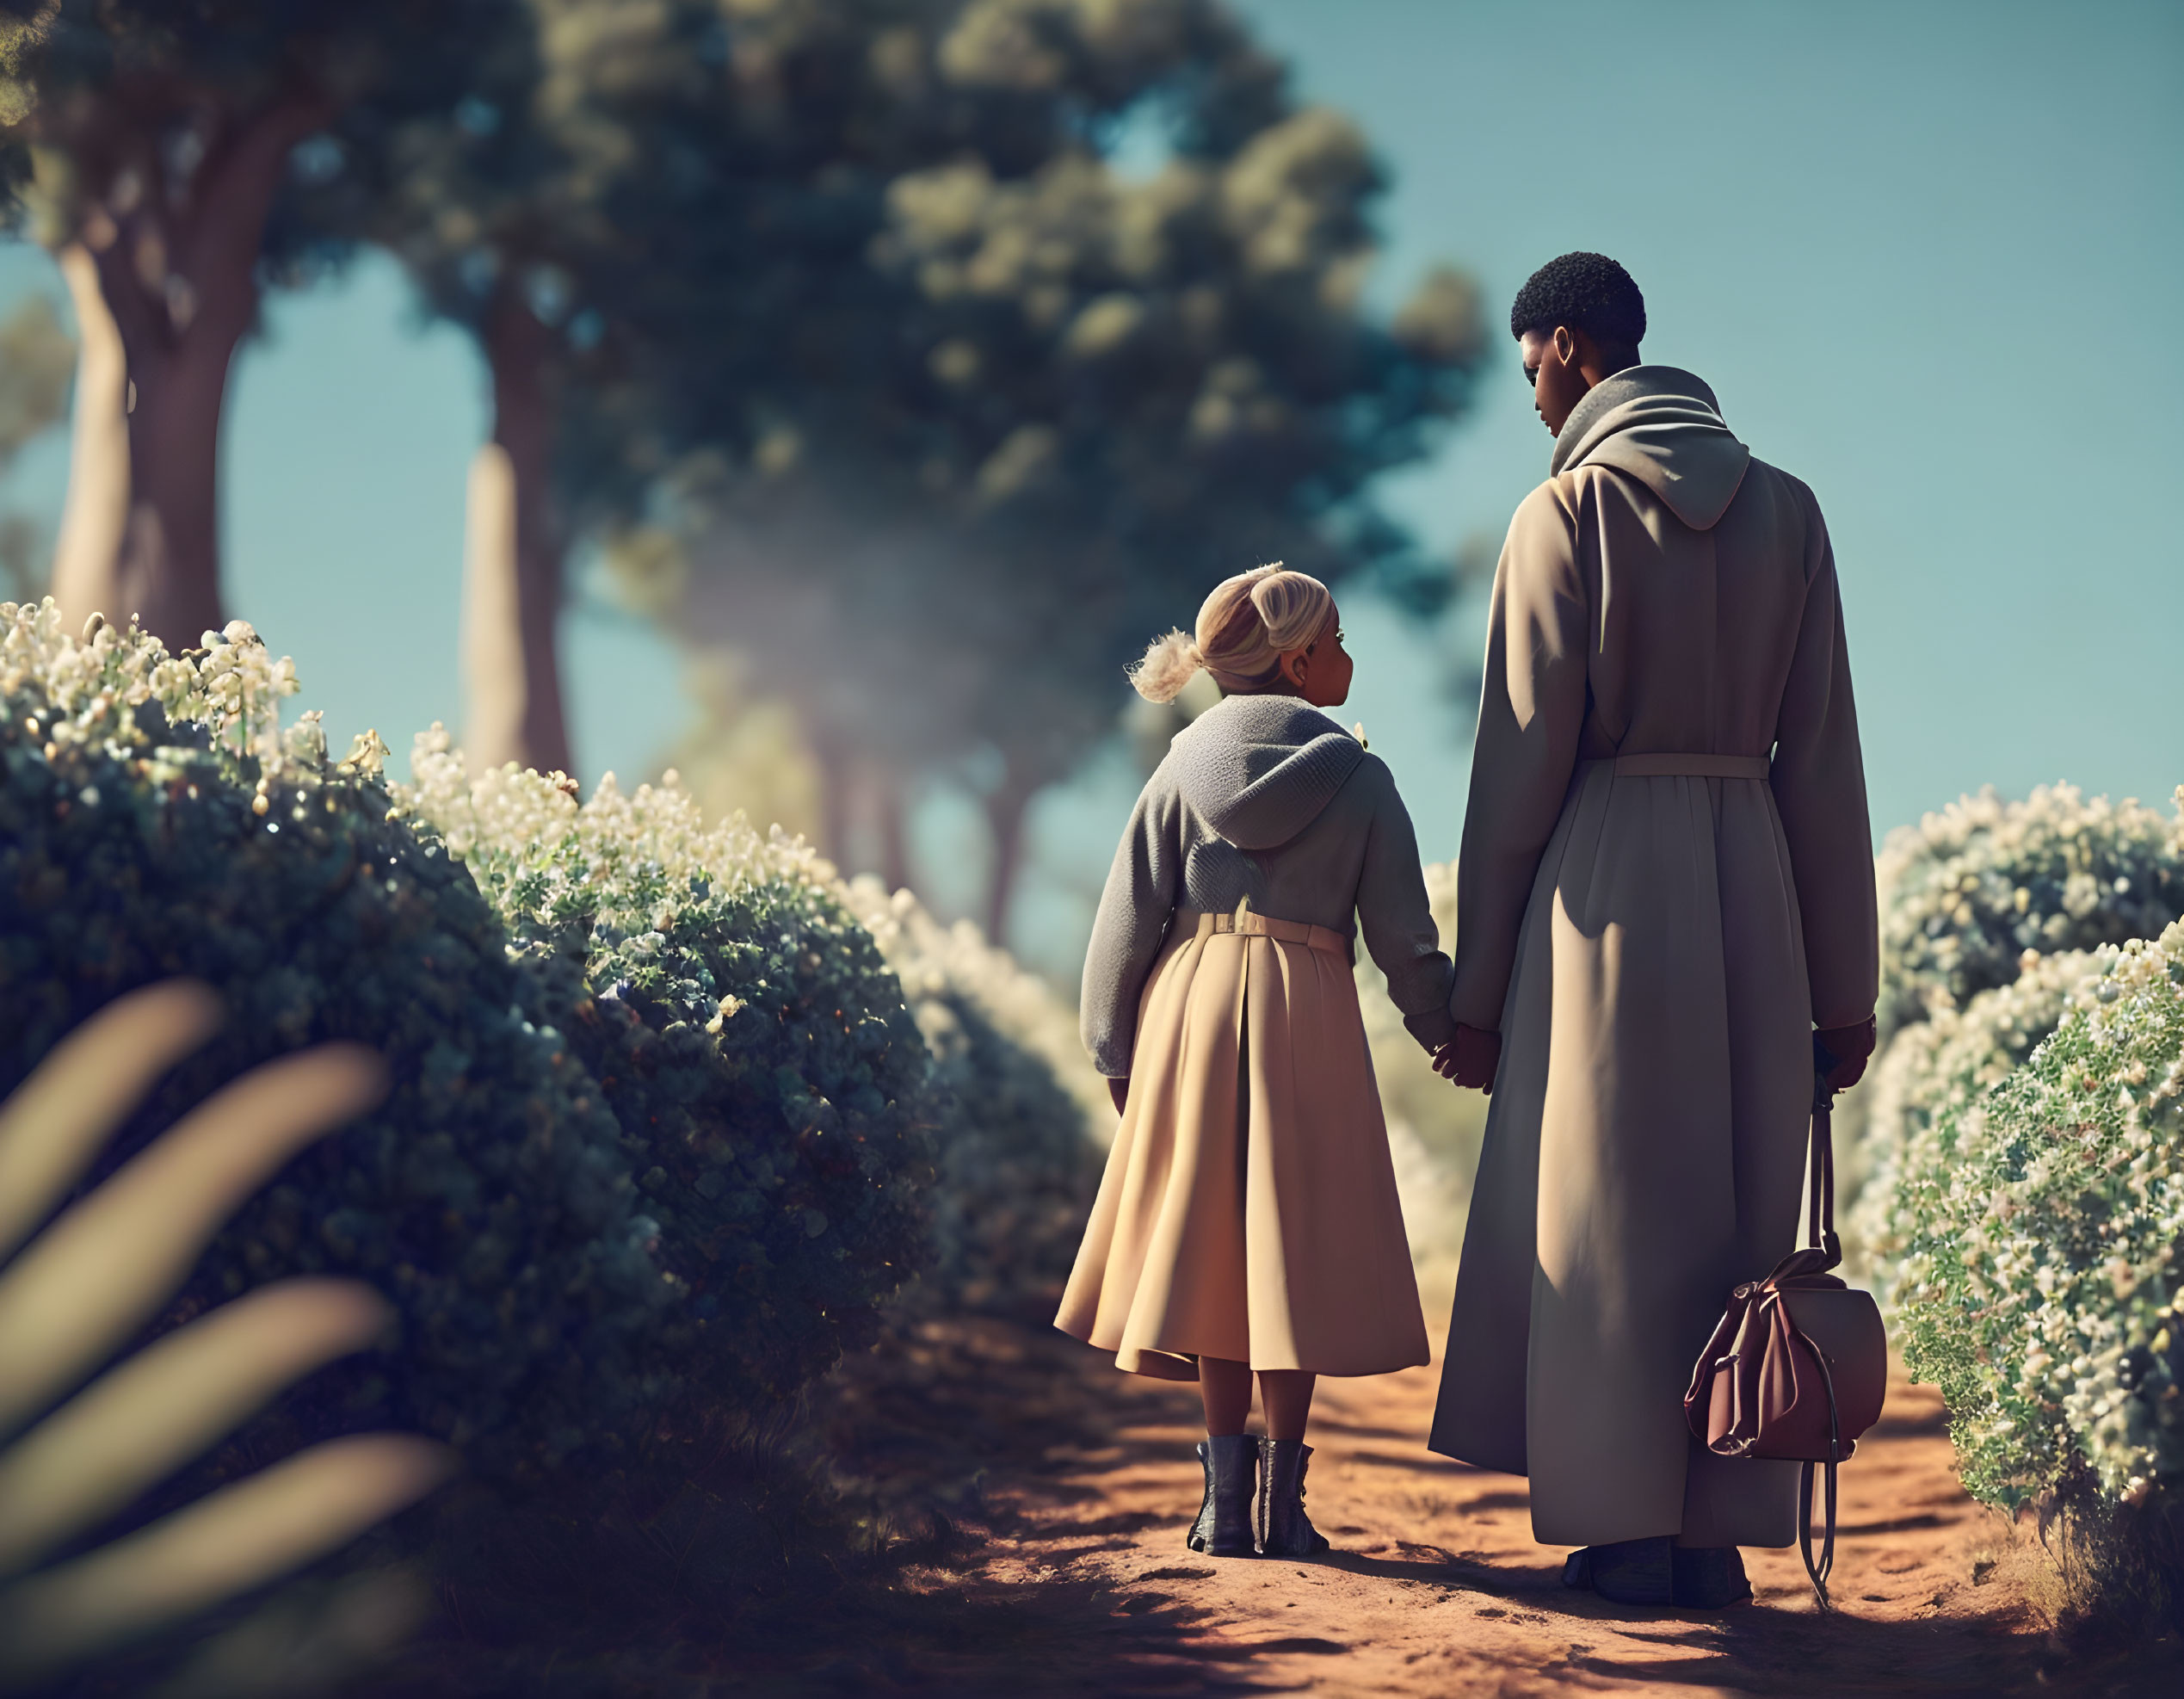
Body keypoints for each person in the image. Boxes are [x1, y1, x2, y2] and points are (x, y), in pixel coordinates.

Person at [1426, 253, 1879, 1609]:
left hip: (1602, 882)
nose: (1531, 402)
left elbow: (1514, 778)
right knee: (1733, 1203)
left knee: (1605, 1203)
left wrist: (1478, 990)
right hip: (1755, 878)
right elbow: (1826, 765)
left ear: (1567, 347)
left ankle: (1620, 1528)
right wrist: (1842, 985)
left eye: (1529, 372)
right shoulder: (1789, 514)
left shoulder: (1560, 514)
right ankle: (1717, 1533)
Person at [1057, 565, 1454, 1560]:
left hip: (1189, 1009)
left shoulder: (1176, 772)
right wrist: (1447, 1028)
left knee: (1215, 1254)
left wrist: (1113, 1047)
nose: (1350, 656)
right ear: (1299, 659)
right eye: (1339, 638)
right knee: (1291, 1249)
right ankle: (1285, 1505)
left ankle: (1221, 1509)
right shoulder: (1360, 779)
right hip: (1305, 1009)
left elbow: (1123, 925)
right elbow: (1404, 938)